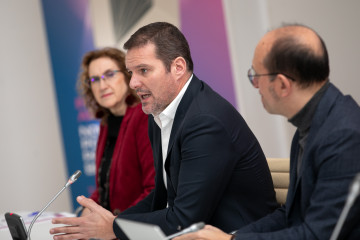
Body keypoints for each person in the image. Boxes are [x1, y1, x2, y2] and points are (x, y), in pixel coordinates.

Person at [50, 22, 278, 240]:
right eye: (131, 72)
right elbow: (160, 199)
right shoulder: (160, 114)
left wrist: (114, 228)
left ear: (178, 67)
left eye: (143, 70)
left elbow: (184, 218)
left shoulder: (205, 121)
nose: (133, 83)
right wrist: (112, 223)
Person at [173, 24, 360, 240]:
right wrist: (232, 235)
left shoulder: (345, 137)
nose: (255, 85)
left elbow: (318, 235)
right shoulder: (313, 123)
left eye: (256, 75)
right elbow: (291, 215)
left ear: (282, 85)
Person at [77, 47, 155, 216]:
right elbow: (105, 187)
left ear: (128, 76)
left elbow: (154, 191)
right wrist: (85, 210)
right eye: (95, 79)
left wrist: (115, 224)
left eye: (110, 74)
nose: (103, 85)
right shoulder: (106, 123)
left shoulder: (144, 117)